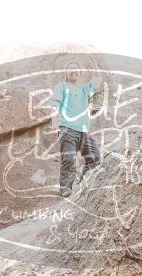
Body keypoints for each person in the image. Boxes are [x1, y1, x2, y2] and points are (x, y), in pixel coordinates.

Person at [48, 60, 103, 197]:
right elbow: (54, 104)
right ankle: (65, 190)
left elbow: (97, 79)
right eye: (70, 68)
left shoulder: (84, 89)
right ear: (66, 72)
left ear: (79, 74)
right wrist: (55, 124)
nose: (73, 71)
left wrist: (94, 64)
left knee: (95, 156)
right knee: (69, 159)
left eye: (76, 69)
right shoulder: (61, 86)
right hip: (67, 129)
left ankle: (85, 181)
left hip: (83, 131)